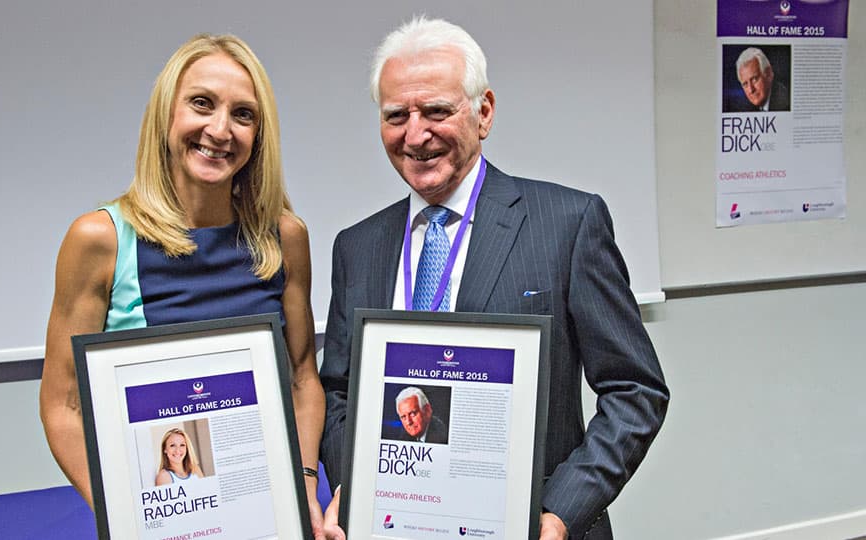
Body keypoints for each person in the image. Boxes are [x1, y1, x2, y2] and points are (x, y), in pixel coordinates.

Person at [318, 17, 669, 540]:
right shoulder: (357, 246)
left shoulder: (568, 225)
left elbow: (635, 390)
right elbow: (340, 392)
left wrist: (560, 514)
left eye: (437, 110)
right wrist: (358, 484)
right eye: (396, 116)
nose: (416, 135)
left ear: (483, 113)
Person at [38, 34, 327, 538]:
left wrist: (303, 492)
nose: (220, 129)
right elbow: (62, 406)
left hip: (268, 517)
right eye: (201, 103)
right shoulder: (101, 239)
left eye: (243, 114)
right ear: (166, 116)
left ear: (259, 135)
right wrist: (126, 516)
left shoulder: (284, 236)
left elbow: (303, 380)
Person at [734, 47, 789, 112]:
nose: (751, 90)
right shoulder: (746, 108)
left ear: (768, 74)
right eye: (745, 84)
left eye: (754, 79)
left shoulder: (786, 102)